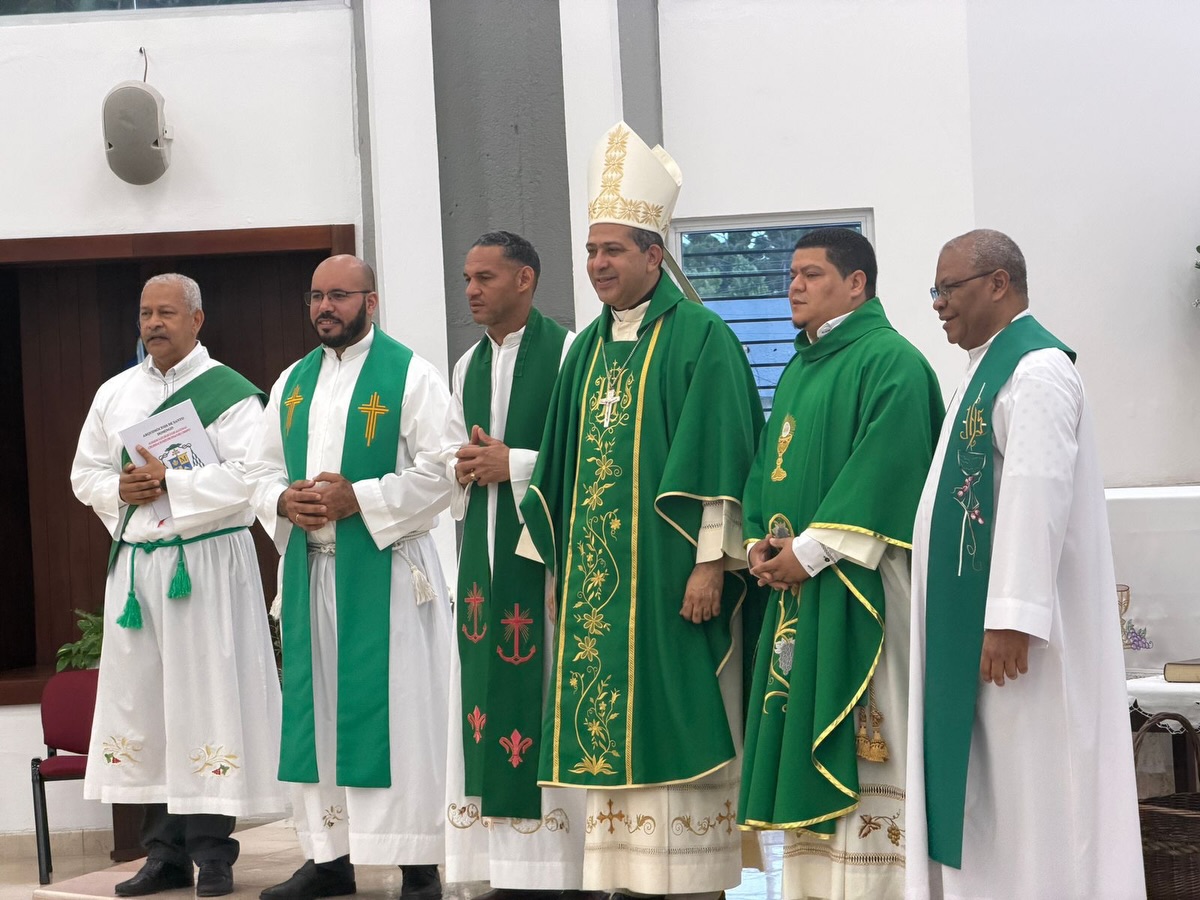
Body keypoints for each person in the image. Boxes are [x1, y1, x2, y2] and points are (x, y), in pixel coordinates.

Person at [518, 121, 764, 900]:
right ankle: (627, 887)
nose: (597, 266)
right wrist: (558, 572)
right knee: (608, 753)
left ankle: (696, 888)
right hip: (599, 598)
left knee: (682, 731)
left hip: (671, 590)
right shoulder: (586, 350)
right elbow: (558, 468)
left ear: (654, 256)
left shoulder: (703, 339)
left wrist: (708, 564)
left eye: (613, 251)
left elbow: (725, 457)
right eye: (591, 253)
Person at [904, 229, 1145, 899]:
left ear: (999, 284)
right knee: (995, 805)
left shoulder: (1036, 370)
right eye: (936, 290)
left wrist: (1012, 615)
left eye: (948, 289)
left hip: (1019, 651)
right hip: (977, 639)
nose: (938, 304)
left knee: (1035, 804)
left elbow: (1038, 493)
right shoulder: (986, 371)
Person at [246, 255, 459, 900]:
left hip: (390, 576)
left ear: (372, 300)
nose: (324, 308)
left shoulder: (411, 376)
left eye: (339, 296)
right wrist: (283, 501)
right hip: (314, 572)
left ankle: (417, 863)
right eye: (315, 296)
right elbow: (253, 470)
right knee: (320, 717)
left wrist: (359, 499)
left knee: (401, 713)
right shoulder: (293, 382)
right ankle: (328, 858)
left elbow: (445, 470)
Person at [740, 228, 944, 899]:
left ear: (857, 283)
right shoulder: (802, 365)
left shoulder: (894, 363)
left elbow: (886, 473)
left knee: (872, 740)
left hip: (866, 591)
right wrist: (759, 545)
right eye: (791, 274)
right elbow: (772, 468)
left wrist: (807, 553)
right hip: (801, 593)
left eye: (812, 274)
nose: (793, 286)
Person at [71, 273, 284, 898]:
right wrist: (121, 489)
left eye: (167, 312)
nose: (154, 323)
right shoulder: (115, 395)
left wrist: (176, 485)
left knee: (206, 701)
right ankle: (162, 854)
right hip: (140, 568)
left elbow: (255, 476)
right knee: (150, 707)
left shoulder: (234, 395)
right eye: (145, 314)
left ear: (198, 320)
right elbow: (84, 471)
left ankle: (214, 854)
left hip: (207, 564)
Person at [443, 231, 601, 900]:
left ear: (526, 280)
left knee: (547, 700)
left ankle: (570, 869)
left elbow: (596, 456)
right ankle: (505, 869)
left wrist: (517, 465)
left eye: (485, 277)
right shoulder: (465, 366)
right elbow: (454, 458)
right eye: (468, 278)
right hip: (483, 561)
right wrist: (465, 465)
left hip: (547, 565)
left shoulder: (570, 353)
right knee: (486, 701)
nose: (472, 290)